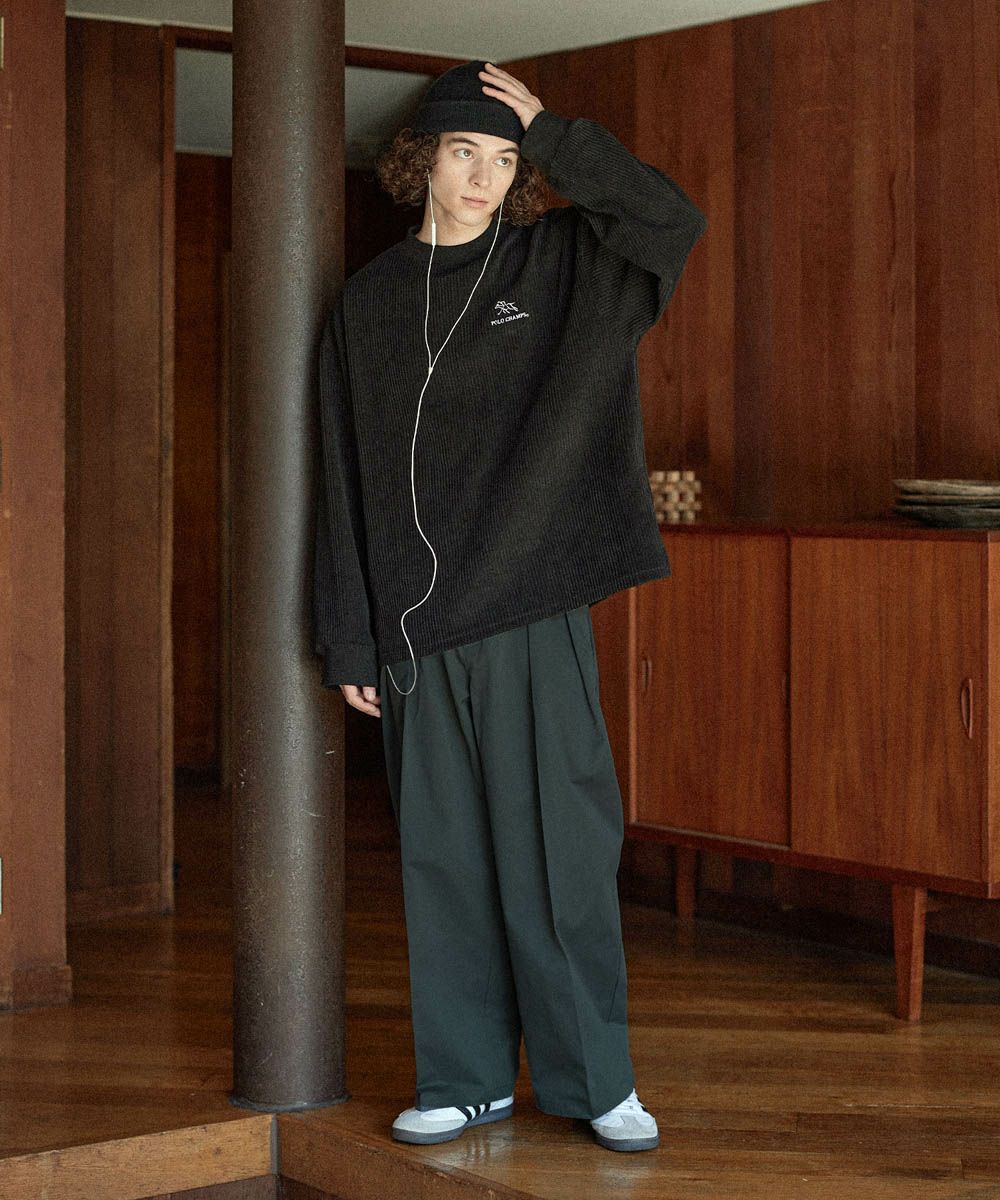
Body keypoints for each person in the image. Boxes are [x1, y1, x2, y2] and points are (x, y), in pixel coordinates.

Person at [313, 58, 706, 1153]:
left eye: (502, 157)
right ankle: (466, 1078)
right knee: (444, 864)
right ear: (421, 162)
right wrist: (352, 634)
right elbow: (340, 475)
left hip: (533, 609)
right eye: (463, 152)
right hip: (414, 632)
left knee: (560, 859)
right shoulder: (368, 304)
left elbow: (670, 221)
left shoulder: (566, 265)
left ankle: (596, 1082)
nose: (484, 176)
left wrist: (558, 133)